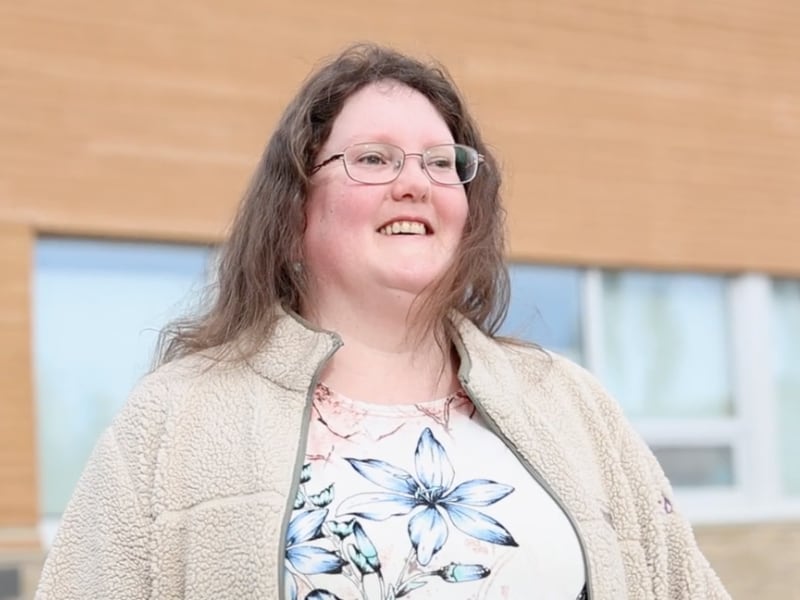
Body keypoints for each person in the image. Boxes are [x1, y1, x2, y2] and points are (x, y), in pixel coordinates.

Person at [35, 43, 730, 600]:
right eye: (373, 158)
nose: (416, 182)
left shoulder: (571, 405)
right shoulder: (177, 418)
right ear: (295, 206)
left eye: (441, 162)